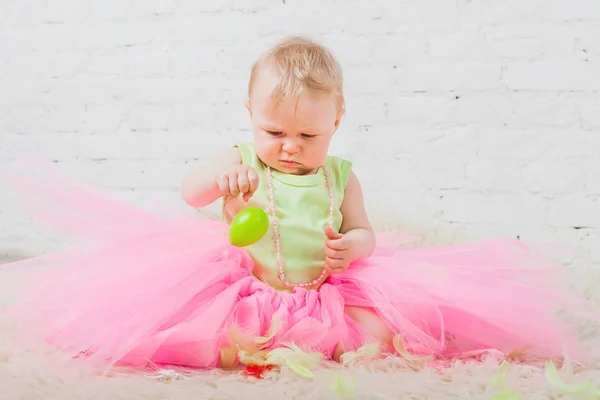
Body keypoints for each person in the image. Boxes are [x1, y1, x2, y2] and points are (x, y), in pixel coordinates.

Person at [0, 36, 596, 374]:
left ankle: (318, 342)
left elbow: (365, 231)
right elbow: (191, 193)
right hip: (249, 283)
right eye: (273, 133)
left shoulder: (340, 177)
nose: (288, 148)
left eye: (308, 137)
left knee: (381, 332)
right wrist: (221, 176)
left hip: (323, 289)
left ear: (336, 122)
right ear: (250, 117)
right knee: (209, 334)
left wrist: (351, 246)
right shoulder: (243, 162)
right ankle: (240, 346)